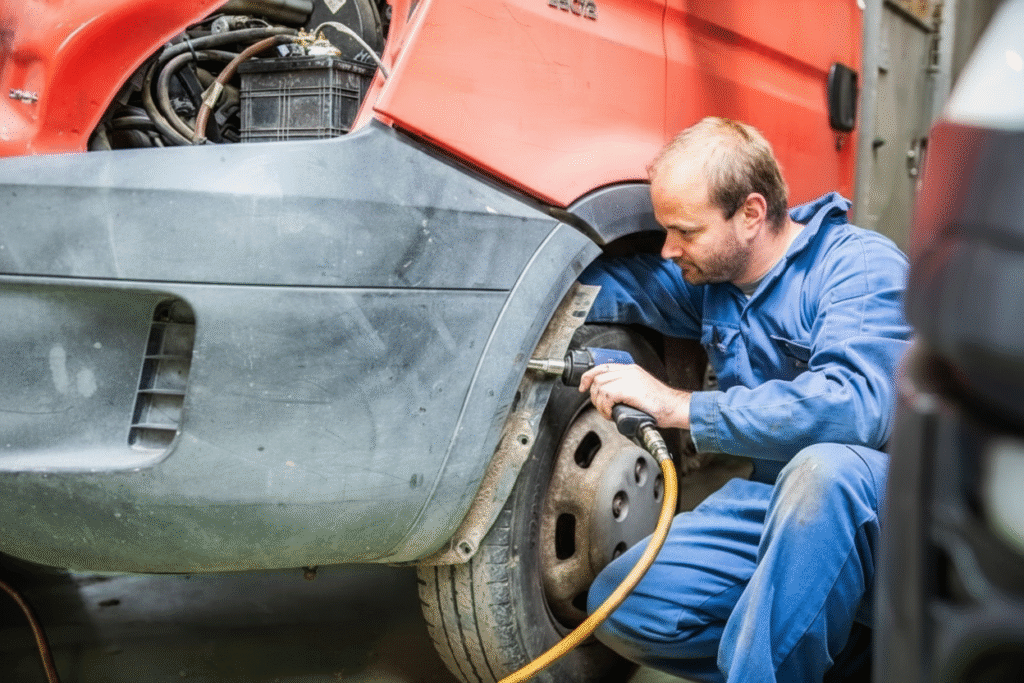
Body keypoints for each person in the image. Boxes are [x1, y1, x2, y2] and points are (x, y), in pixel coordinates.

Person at [576, 117, 912, 682]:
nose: (668, 249)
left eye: (685, 231)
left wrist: (677, 406)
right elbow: (618, 287)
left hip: (885, 510)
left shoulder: (858, 267)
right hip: (778, 505)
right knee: (624, 603)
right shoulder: (718, 286)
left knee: (824, 471)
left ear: (751, 214)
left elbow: (855, 407)